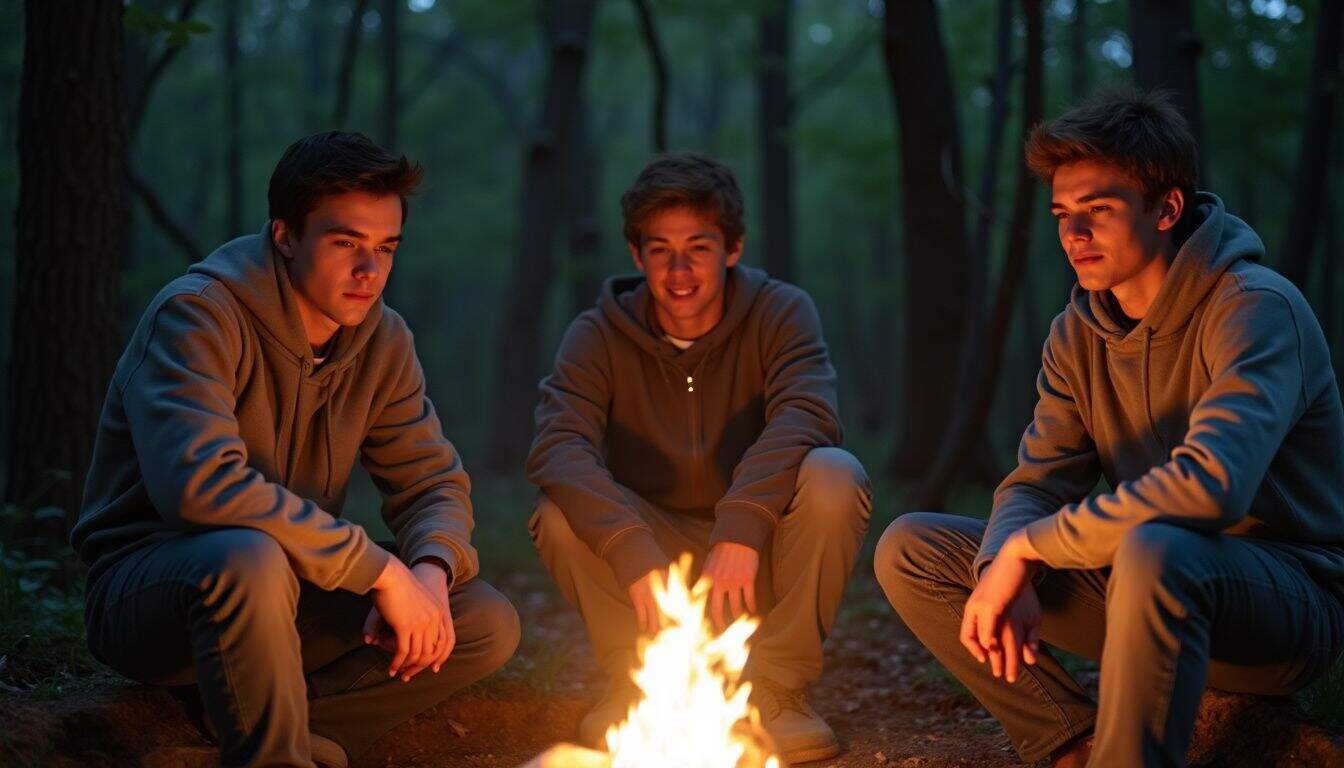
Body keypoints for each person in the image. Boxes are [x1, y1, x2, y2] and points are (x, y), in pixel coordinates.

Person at [873, 90, 1344, 767]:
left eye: (1098, 210)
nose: (1074, 234)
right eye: (1064, 214)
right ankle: (1074, 744)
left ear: (1167, 209)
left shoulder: (1256, 309)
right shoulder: (1076, 333)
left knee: (1158, 550)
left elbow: (1211, 488)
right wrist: (1002, 559)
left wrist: (1035, 548)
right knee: (912, 548)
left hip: (1282, 607)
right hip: (1143, 585)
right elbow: (1037, 484)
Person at [72, 131, 520, 768]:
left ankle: (270, 726)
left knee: (482, 619)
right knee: (249, 557)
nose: (370, 272)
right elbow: (202, 489)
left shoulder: (382, 339)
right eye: (346, 244)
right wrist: (380, 569)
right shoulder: (198, 315)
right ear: (285, 236)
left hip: (292, 588)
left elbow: (431, 484)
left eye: (386, 248)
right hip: (158, 596)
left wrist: (429, 570)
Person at [526, 152, 872, 764]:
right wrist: (630, 548)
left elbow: (807, 414)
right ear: (637, 256)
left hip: (757, 553)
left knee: (834, 474)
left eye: (699, 248)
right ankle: (635, 685)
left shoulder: (781, 311)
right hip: (651, 562)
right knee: (557, 509)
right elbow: (558, 445)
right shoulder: (597, 333)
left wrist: (741, 524)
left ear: (733, 248)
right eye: (660, 249)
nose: (678, 270)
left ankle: (777, 691)